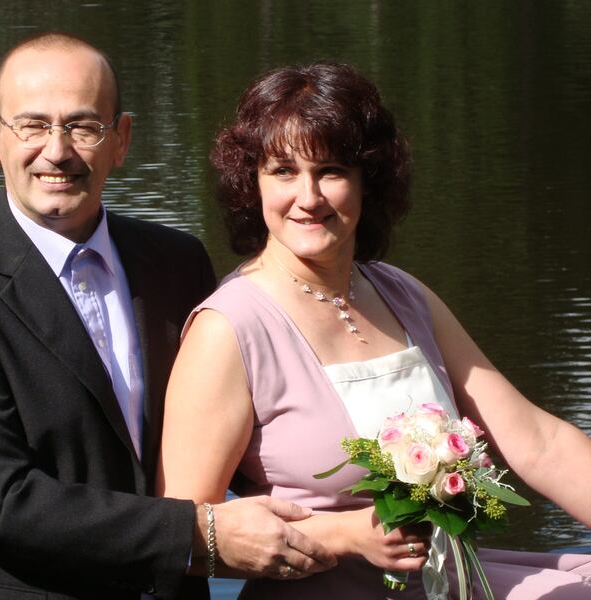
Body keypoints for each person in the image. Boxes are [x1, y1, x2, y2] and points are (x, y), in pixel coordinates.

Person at [0, 33, 337, 600]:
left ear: (121, 140)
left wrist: (381, 477)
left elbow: (237, 437)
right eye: (32, 125)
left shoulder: (176, 262)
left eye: (82, 125)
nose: (57, 150)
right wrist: (201, 532)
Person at [157, 61, 591, 598]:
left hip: (449, 580)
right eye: (284, 171)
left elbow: (540, 443)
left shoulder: (400, 293)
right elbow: (181, 536)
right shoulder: (229, 328)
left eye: (332, 170)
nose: (309, 197)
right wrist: (341, 534)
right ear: (253, 183)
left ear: (370, 180)